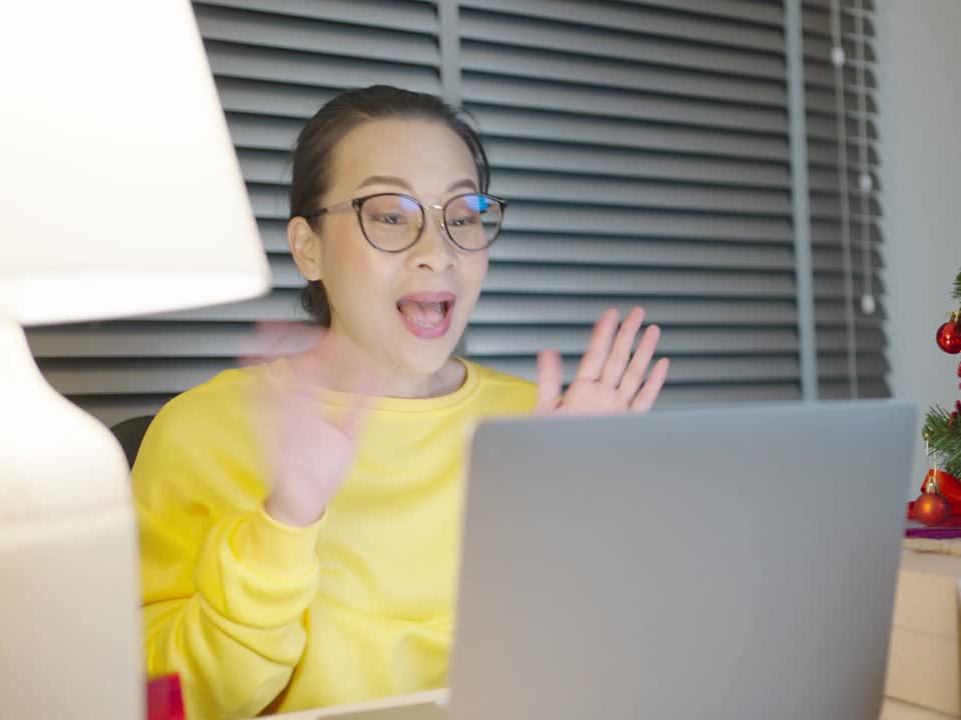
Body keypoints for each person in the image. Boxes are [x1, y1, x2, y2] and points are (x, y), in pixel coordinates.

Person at [132, 85, 669, 719]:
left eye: (463, 214)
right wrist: (287, 519)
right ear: (308, 247)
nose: (437, 252)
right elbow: (161, 702)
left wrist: (584, 527)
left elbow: (617, 681)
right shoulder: (203, 431)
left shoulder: (545, 427)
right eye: (390, 214)